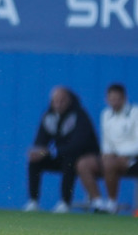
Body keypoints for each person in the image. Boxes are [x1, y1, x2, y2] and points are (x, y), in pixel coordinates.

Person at [22, 86, 100, 213]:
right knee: (34, 161)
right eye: (55, 101)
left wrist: (51, 152)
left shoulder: (80, 116)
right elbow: (41, 142)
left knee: (70, 160)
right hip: (58, 155)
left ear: (69, 100)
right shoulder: (48, 116)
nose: (58, 104)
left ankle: (65, 202)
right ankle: (33, 201)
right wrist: (37, 152)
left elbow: (77, 145)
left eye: (62, 100)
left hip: (81, 158)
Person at [77, 84, 138, 213]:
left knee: (109, 162)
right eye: (111, 99)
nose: (114, 102)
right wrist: (107, 153)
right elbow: (106, 141)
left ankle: (112, 203)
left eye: (117, 99)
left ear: (124, 98)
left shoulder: (135, 112)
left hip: (132, 159)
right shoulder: (106, 114)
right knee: (83, 164)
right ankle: (98, 202)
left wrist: (119, 154)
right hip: (112, 158)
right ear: (107, 99)